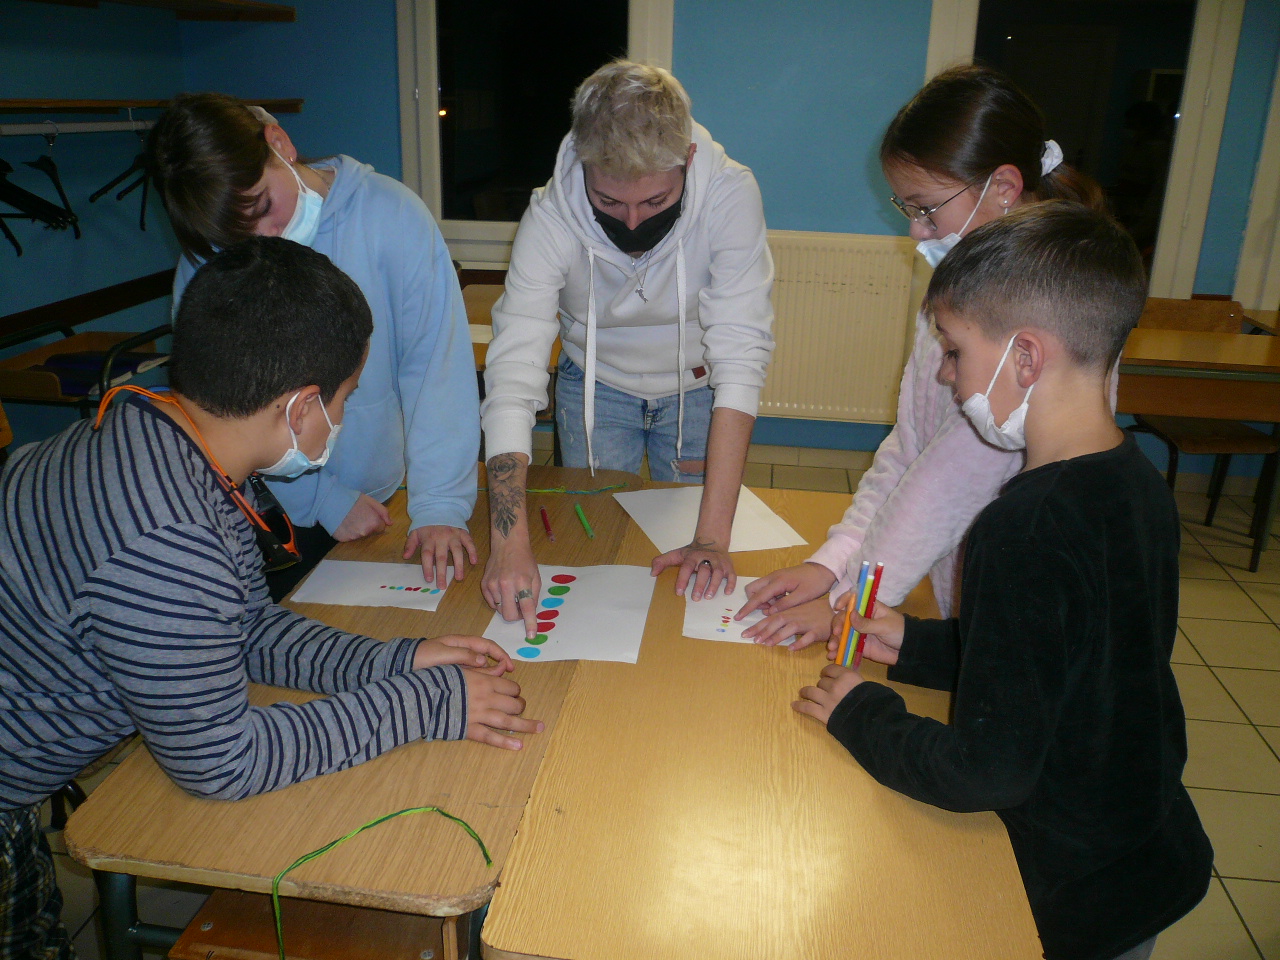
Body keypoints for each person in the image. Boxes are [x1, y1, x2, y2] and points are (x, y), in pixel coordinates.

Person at [0, 239, 540, 958]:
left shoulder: (166, 433)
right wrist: (428, 704)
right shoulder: (166, 537)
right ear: (302, 407)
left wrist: (395, 662)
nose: (343, 415)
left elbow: (246, 625)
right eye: (346, 398)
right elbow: (223, 762)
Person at [794, 203, 1213, 960]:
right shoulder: (1136, 481)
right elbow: (1070, 659)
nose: (945, 373)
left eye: (954, 350)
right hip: (1147, 846)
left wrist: (863, 713)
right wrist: (915, 644)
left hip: (1074, 889)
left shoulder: (1020, 526)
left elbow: (986, 773)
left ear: (1025, 357)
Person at [737, 65, 1109, 648]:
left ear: (1004, 187)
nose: (915, 231)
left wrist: (847, 604)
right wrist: (832, 564)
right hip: (959, 588)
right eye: (906, 208)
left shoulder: (1042, 306)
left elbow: (949, 480)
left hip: (1023, 603)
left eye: (927, 208)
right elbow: (910, 447)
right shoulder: (961, 285)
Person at [479, 60, 775, 637]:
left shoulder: (730, 193)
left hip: (696, 389)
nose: (634, 222)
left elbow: (741, 357)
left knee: (691, 555)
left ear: (687, 159)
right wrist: (507, 543)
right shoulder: (550, 214)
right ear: (583, 163)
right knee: (593, 541)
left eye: (655, 201)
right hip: (595, 385)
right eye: (610, 203)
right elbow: (513, 371)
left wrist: (713, 539)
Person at [148, 94, 480, 599]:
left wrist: (439, 504)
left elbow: (437, 369)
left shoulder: (391, 214)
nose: (267, 237)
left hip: (384, 498)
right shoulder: (206, 257)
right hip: (265, 507)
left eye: (264, 207)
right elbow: (216, 413)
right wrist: (323, 498)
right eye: (237, 237)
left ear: (279, 144)